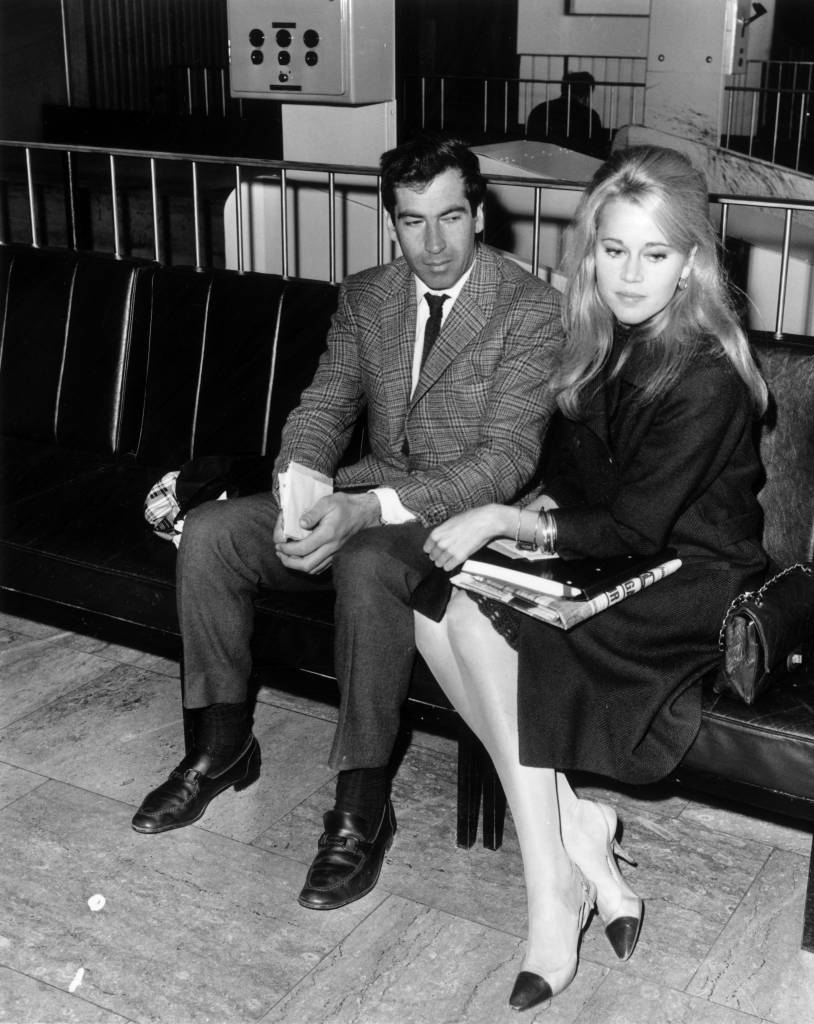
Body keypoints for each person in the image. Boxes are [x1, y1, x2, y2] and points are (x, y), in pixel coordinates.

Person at [131, 135, 564, 913]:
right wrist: (302, 491)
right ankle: (220, 747)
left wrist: (366, 510)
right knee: (210, 536)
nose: (432, 243)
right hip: (365, 497)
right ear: (390, 221)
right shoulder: (369, 295)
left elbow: (504, 460)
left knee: (366, 566)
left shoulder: (530, 308)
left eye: (450, 218)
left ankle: (362, 801)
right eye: (411, 221)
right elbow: (325, 407)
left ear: (479, 212)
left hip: (462, 521)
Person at [415, 145, 769, 1011]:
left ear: (689, 262)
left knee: (497, 627)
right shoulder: (596, 341)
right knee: (434, 608)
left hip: (692, 577)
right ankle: (580, 827)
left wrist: (506, 523)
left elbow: (637, 525)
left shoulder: (708, 372)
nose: (631, 274)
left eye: (655, 255)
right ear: (592, 251)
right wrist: (526, 525)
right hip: (613, 556)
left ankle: (552, 897)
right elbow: (577, 488)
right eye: (613, 250)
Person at [526, 71, 606, 159]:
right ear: (587, 93)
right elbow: (596, 147)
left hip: (541, 160)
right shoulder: (590, 115)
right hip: (575, 163)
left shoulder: (540, 109)